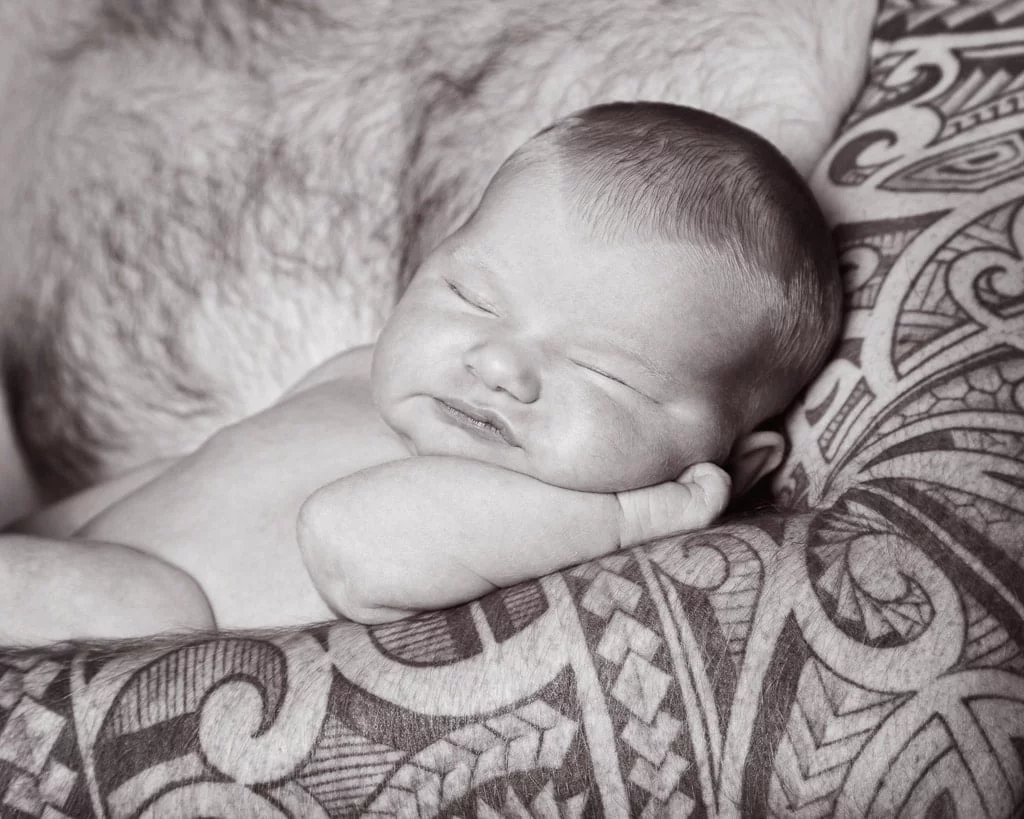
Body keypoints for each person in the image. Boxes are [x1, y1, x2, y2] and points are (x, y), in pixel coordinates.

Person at [3, 102, 839, 640]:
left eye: (606, 373)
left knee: (146, 607)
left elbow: (351, 540)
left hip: (135, 633)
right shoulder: (358, 373)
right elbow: (187, 473)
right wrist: (37, 534)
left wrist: (627, 519)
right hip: (61, 568)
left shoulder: (542, 504)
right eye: (472, 295)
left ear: (731, 462)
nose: (502, 362)